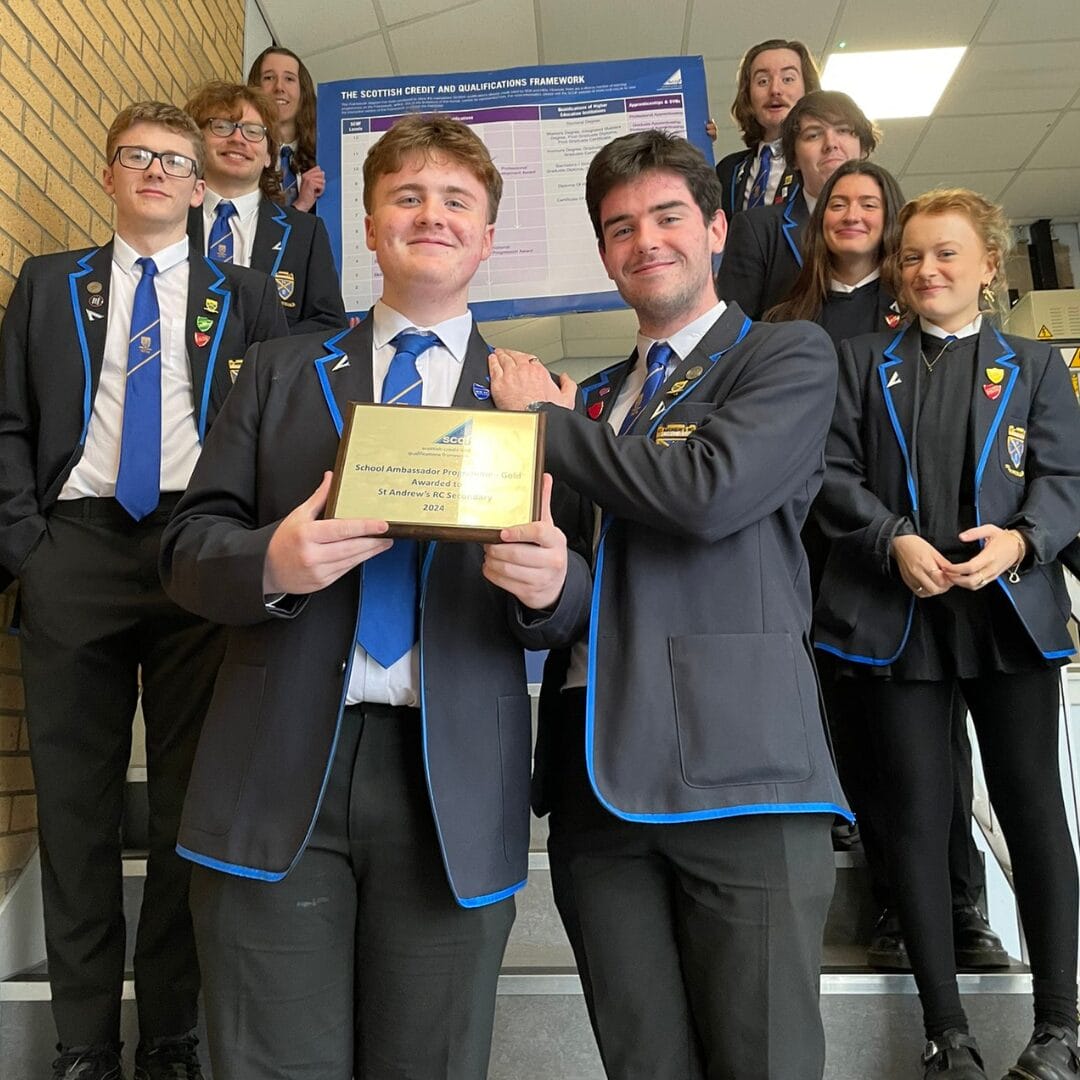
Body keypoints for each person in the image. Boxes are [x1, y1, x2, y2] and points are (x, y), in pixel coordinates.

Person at [159, 113, 590, 1079]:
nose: (431, 215)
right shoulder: (276, 374)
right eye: (407, 196)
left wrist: (553, 588)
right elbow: (186, 551)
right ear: (367, 225)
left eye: (456, 201)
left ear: (487, 236)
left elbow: (580, 600)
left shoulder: (536, 398)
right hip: (275, 769)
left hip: (454, 787)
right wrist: (272, 562)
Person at [486, 129, 849, 1080]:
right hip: (595, 776)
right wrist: (544, 595)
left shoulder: (784, 354)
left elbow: (708, 493)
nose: (645, 240)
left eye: (667, 216)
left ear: (716, 229)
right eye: (620, 228)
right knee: (641, 1061)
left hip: (740, 773)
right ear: (605, 255)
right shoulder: (598, 399)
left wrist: (547, 425)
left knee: (763, 1061)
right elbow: (578, 581)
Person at [0, 102, 287, 1080]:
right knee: (76, 813)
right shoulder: (48, 285)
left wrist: (247, 547)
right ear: (109, 175)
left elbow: (275, 427)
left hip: (196, 552)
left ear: (201, 188)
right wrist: (28, 549)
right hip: (72, 554)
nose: (156, 171)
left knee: (184, 813)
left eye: (174, 160)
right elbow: (7, 422)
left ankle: (171, 1040)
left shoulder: (248, 297)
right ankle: (84, 1046)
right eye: (137, 156)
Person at [814, 188, 1080, 1079]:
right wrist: (890, 539)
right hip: (899, 623)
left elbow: (1066, 479)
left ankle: (1060, 1029)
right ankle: (946, 1036)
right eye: (914, 256)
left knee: (1034, 814)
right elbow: (830, 473)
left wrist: (1023, 540)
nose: (927, 270)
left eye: (947, 253)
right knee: (917, 823)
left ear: (989, 265)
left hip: (1007, 619)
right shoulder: (858, 363)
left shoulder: (1034, 366)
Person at [767, 159, 1011, 976]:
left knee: (941, 749)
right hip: (826, 550)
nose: (852, 214)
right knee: (869, 743)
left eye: (870, 203)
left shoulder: (920, 312)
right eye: (837, 201)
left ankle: (957, 902)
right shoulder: (788, 316)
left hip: (928, 560)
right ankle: (892, 897)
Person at [185, 81, 346, 335]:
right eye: (222, 126)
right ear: (197, 143)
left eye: (253, 131)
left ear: (269, 154)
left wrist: (262, 352)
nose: (237, 138)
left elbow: (329, 324)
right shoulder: (169, 218)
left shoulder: (305, 232)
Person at [716, 89, 879, 319]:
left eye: (843, 130)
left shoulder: (893, 224)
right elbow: (731, 329)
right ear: (792, 158)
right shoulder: (758, 230)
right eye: (813, 135)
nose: (831, 144)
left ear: (862, 148)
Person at [715, 37, 820, 221]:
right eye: (763, 81)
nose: (775, 90)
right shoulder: (727, 170)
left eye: (788, 79)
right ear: (748, 95)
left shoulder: (823, 162)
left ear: (808, 90)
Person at [247, 46, 324, 211]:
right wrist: (301, 205)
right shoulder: (244, 155)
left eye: (289, 79)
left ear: (303, 92)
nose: (279, 87)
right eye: (269, 78)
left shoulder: (324, 157)